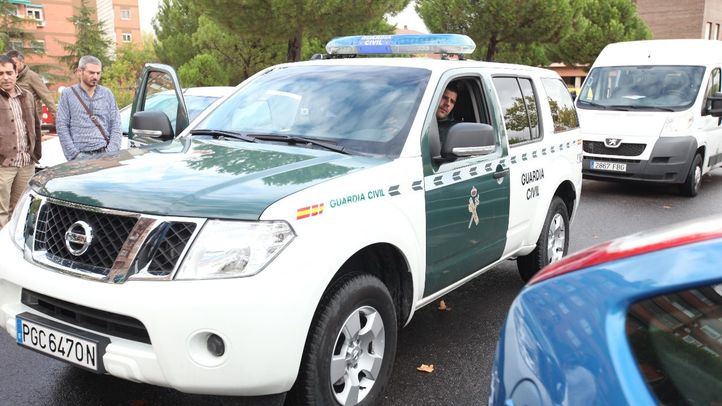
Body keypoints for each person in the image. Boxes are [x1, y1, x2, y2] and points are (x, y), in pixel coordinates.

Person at [0, 55, 41, 227]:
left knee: (19, 211)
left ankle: (11, 243)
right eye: (1, 73)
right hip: (3, 165)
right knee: (1, 212)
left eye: (9, 72)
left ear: (16, 72)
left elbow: (36, 126)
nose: (5, 77)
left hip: (26, 163)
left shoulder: (28, 95)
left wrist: (35, 154)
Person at [56, 55, 121, 160]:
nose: (95, 77)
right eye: (91, 72)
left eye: (98, 73)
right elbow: (62, 125)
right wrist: (74, 155)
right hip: (80, 156)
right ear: (80, 72)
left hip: (105, 153)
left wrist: (111, 151)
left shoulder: (107, 94)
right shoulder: (68, 94)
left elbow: (116, 124)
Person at [6, 50, 56, 119]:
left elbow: (46, 96)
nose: (12, 66)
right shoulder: (8, 78)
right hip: (13, 116)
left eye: (15, 63)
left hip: (32, 116)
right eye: (10, 63)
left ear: (22, 62)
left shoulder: (32, 76)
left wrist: (57, 116)